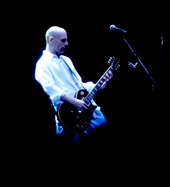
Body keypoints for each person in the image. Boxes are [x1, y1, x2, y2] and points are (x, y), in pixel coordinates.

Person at [35, 26, 113, 143]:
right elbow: (51, 89)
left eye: (66, 40)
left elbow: (80, 86)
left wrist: (102, 84)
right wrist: (75, 102)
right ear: (51, 40)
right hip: (70, 118)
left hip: (88, 113)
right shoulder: (42, 64)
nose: (67, 43)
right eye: (63, 40)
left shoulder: (67, 60)